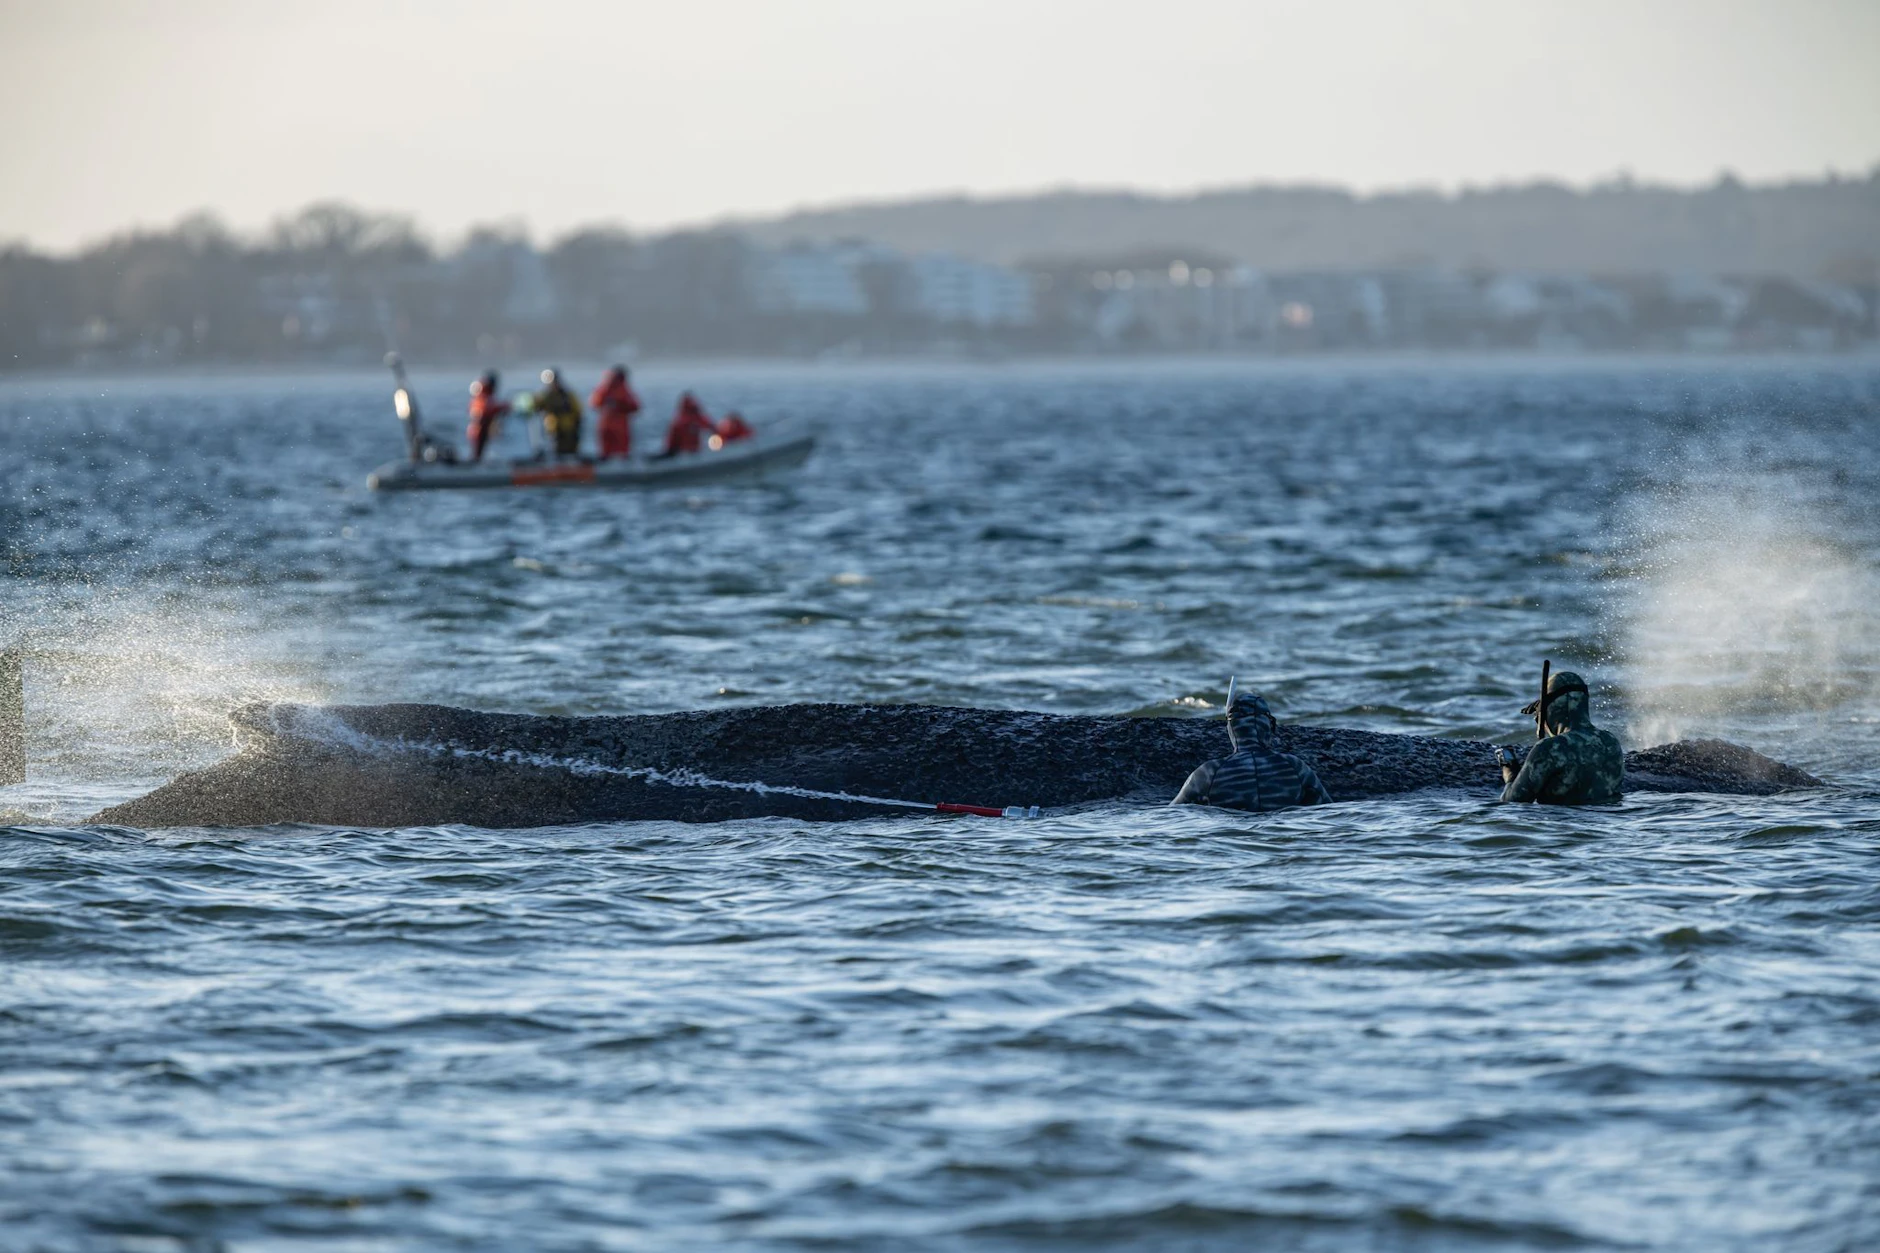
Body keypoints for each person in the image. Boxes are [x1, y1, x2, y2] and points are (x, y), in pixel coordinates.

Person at [1172, 681, 1332, 812]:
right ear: (1269, 726)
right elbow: (1327, 812)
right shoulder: (1295, 767)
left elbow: (1173, 815)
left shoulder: (1208, 773)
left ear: (1231, 729)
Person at [1495, 669, 1624, 804]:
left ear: (1552, 708)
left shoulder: (1549, 748)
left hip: (1560, 822)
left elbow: (1513, 800)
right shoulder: (1611, 742)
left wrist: (1509, 772)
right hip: (1604, 822)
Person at [590, 365, 641, 460]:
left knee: (610, 453)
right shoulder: (620, 389)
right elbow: (635, 406)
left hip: (609, 425)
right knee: (616, 453)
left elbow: (635, 406)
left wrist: (620, 405)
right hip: (615, 427)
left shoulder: (605, 388)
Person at [533, 367, 584, 458]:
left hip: (568, 430)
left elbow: (578, 411)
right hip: (553, 431)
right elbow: (536, 406)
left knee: (570, 452)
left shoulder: (568, 396)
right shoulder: (545, 396)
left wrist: (576, 425)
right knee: (555, 452)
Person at [656, 391, 717, 458]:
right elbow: (711, 426)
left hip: (691, 452)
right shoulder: (691, 419)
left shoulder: (679, 421)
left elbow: (711, 427)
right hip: (687, 452)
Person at [465, 371, 509, 462]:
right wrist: (504, 407)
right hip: (479, 430)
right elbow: (488, 409)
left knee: (480, 451)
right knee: (477, 451)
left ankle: (477, 461)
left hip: (480, 429)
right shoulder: (482, 399)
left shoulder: (483, 398)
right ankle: (475, 464)